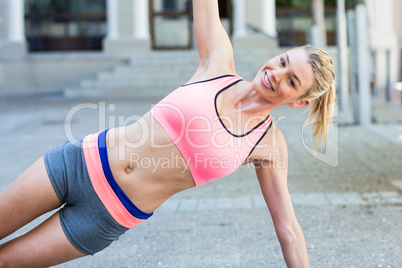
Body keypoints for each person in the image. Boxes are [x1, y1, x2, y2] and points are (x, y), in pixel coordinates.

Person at [0, 0, 335, 267]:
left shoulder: (269, 145)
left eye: (291, 80)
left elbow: (288, 229)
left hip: (105, 217)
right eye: (282, 61)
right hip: (75, 165)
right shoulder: (218, 63)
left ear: (299, 102)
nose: (276, 74)